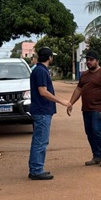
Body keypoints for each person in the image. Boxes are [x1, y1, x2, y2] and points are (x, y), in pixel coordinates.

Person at [66, 49, 101, 166]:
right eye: (87, 60)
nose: (88, 62)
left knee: (97, 131)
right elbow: (79, 89)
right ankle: (96, 156)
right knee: (89, 132)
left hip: (98, 108)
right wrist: (71, 103)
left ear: (97, 61)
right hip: (86, 109)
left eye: (91, 60)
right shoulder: (84, 75)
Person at [28, 47, 69, 180]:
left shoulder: (40, 70)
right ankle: (36, 170)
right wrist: (61, 101)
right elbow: (43, 91)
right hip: (41, 111)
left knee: (39, 140)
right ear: (49, 57)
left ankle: (36, 168)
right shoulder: (40, 71)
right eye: (52, 56)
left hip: (42, 111)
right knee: (40, 141)